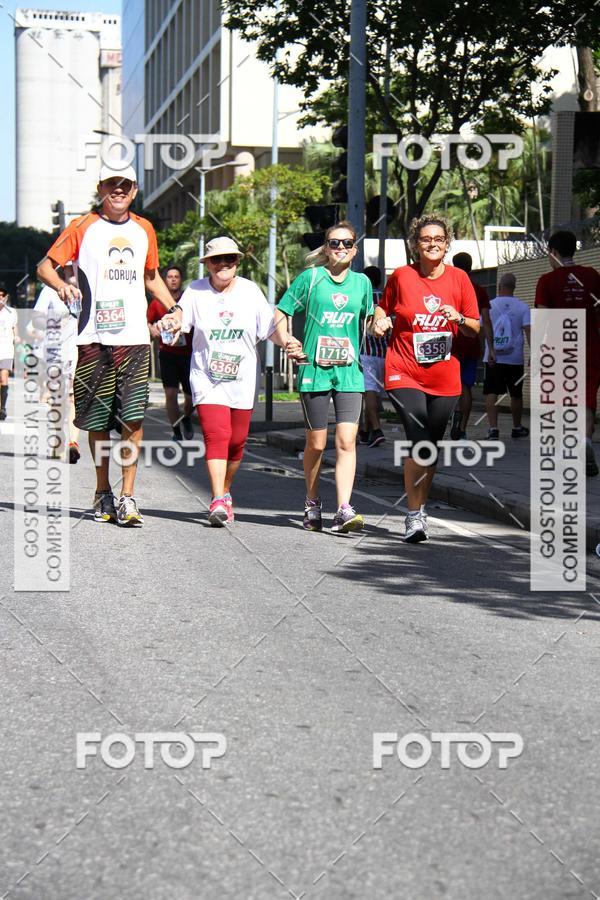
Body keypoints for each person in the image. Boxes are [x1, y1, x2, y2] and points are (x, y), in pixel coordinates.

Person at [37, 164, 176, 526]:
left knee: (133, 418)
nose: (118, 190)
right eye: (111, 184)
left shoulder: (144, 228)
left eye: (125, 185)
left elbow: (150, 277)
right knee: (96, 421)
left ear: (133, 190)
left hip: (133, 339)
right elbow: (44, 267)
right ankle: (103, 491)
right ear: (101, 188)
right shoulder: (83, 226)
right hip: (92, 338)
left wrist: (174, 307)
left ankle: (128, 496)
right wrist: (62, 286)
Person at [160, 236, 303, 526]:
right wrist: (172, 322)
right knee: (217, 435)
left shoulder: (251, 292)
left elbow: (269, 329)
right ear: (208, 264)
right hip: (206, 377)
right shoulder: (195, 291)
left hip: (243, 379)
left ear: (237, 262)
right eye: (217, 260)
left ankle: (225, 491)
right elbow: (180, 317)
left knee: (237, 442)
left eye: (230, 259)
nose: (223, 265)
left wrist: (287, 341)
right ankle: (215, 498)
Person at [372, 214, 480, 543]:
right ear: (415, 245)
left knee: (430, 447)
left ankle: (420, 508)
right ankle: (414, 515)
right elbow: (382, 308)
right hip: (403, 370)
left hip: (444, 376)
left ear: (447, 245)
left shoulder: (459, 279)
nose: (432, 243)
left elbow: (474, 328)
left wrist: (459, 317)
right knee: (418, 437)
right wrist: (379, 321)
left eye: (438, 239)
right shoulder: (402, 276)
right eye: (425, 239)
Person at [276, 221, 374, 533]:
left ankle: (344, 508)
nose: (341, 249)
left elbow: (369, 320)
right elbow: (281, 313)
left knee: (346, 441)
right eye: (335, 243)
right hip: (314, 371)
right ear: (326, 248)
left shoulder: (361, 284)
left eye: (347, 243)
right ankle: (312, 500)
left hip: (349, 373)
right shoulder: (312, 278)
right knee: (316, 444)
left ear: (355, 249)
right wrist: (287, 340)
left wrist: (380, 321)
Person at [535, 230, 600, 476]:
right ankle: (586, 442)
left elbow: (542, 317)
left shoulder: (547, 280)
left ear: (552, 252)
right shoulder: (592, 276)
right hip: (590, 345)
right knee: (586, 399)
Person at [31, 276, 81, 462]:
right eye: (68, 267)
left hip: (79, 350)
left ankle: (72, 443)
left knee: (74, 396)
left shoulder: (88, 286)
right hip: (54, 352)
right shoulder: (49, 291)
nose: (72, 271)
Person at [147, 264, 194, 442]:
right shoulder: (157, 303)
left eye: (176, 276)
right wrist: (152, 330)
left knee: (191, 398)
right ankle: (176, 430)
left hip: (188, 354)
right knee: (171, 394)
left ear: (181, 280)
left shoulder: (186, 301)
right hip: (167, 353)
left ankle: (187, 418)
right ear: (164, 280)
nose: (173, 279)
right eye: (169, 276)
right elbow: (148, 322)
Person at [450, 252, 494, 439]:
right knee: (466, 386)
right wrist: (489, 347)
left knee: (448, 385)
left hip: (450, 343)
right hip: (471, 342)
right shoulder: (479, 290)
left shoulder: (448, 287)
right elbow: (486, 321)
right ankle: (462, 428)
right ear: (471, 266)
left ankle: (450, 417)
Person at [483, 273, 531, 439]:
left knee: (491, 392)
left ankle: (493, 429)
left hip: (492, 357)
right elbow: (528, 330)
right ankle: (517, 428)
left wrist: (489, 350)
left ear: (499, 287)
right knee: (516, 394)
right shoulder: (523, 307)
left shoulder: (488, 305)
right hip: (515, 358)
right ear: (514, 287)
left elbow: (481, 328)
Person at [358, 265, 387, 448]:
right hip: (386, 353)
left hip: (366, 352)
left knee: (369, 392)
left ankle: (376, 429)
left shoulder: (362, 299)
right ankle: (366, 431)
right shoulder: (386, 299)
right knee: (376, 394)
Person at [0, 285, 18, 420]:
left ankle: (2, 408)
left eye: (2, 295)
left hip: (6, 350)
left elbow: (14, 328)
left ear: (6, 298)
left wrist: (17, 338)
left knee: (3, 378)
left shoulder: (11, 312)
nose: (0, 298)